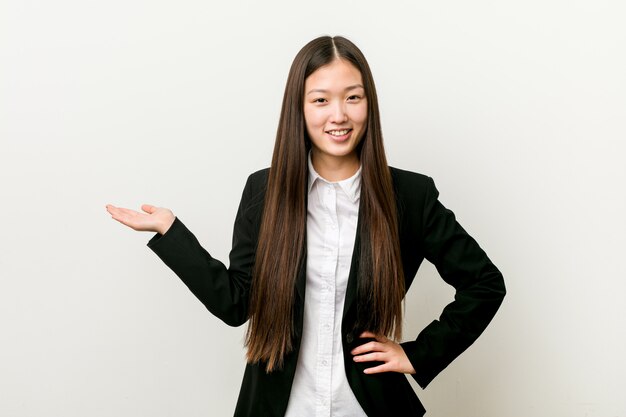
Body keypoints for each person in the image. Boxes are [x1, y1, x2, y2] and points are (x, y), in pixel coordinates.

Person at [106, 35, 505, 417]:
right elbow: (235, 303)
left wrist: (418, 354)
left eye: (353, 97)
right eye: (320, 100)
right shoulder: (263, 191)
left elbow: (485, 283)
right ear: (299, 108)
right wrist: (170, 232)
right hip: (279, 407)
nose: (339, 115)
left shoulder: (410, 196)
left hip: (369, 407)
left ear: (370, 104)